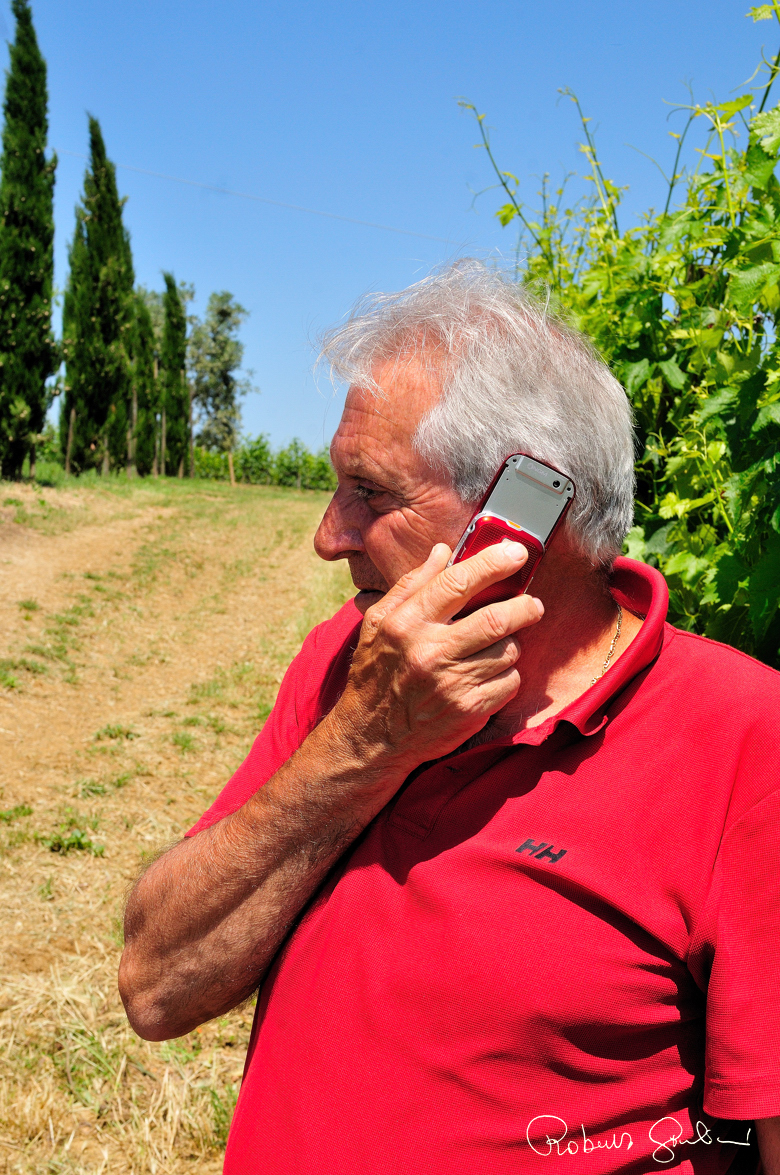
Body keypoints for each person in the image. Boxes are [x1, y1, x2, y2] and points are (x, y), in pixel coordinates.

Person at [119, 261, 780, 1175]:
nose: (327, 535)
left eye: (371, 492)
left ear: (522, 518)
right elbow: (157, 985)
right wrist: (363, 743)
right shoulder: (351, 667)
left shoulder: (746, 737)